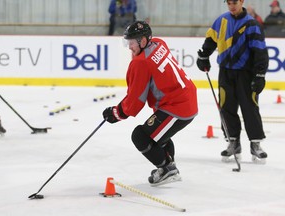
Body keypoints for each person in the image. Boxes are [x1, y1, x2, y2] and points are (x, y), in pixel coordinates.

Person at [102, 21, 198, 186]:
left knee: (140, 136)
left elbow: (135, 101)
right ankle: (168, 167)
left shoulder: (140, 63)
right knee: (159, 135)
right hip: (185, 99)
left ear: (143, 41)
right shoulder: (159, 43)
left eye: (132, 42)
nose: (129, 46)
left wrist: (116, 113)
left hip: (177, 107)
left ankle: (167, 170)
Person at [196, 0, 269, 163]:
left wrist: (260, 75)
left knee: (250, 107)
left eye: (234, 2)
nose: (232, 6)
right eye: (229, 3)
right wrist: (203, 56)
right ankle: (233, 142)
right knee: (226, 108)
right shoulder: (221, 20)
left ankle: (255, 144)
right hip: (226, 73)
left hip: (246, 73)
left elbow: (260, 51)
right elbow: (210, 40)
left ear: (242, 1)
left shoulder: (251, 24)